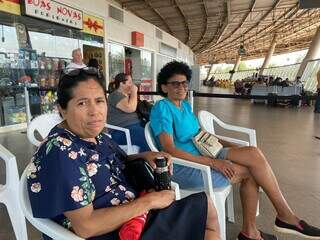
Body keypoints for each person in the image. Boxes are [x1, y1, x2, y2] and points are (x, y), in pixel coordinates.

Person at [27, 68, 221, 240]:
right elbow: (86, 226)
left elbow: (115, 161)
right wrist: (149, 202)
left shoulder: (95, 136)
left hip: (133, 214)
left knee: (206, 210)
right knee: (205, 216)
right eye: (82, 103)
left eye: (99, 101)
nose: (95, 112)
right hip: (113, 230)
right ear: (62, 110)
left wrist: (144, 155)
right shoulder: (61, 151)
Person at [150, 61, 320, 240]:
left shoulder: (184, 105)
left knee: (252, 152)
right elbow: (169, 149)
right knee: (251, 173)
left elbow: (201, 133)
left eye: (184, 83)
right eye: (175, 84)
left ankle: (280, 218)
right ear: (164, 87)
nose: (181, 87)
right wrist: (213, 162)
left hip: (204, 151)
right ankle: (260, 228)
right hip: (186, 166)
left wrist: (230, 145)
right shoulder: (162, 108)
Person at [107, 73, 150, 152]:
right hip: (122, 130)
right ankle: (147, 161)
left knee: (154, 133)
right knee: (147, 139)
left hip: (134, 126)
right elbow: (130, 108)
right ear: (121, 84)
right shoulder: (115, 95)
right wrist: (134, 92)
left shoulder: (126, 96)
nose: (132, 85)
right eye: (129, 82)